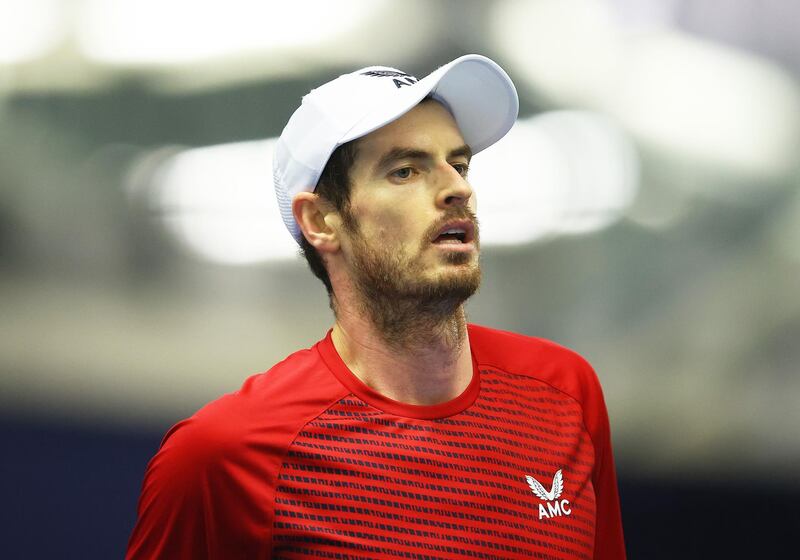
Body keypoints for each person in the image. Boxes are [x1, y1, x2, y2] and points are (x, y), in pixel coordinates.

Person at [126, 54, 626, 559]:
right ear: (321, 220)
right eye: (405, 171)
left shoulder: (565, 393)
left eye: (459, 163)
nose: (458, 188)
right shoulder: (222, 456)